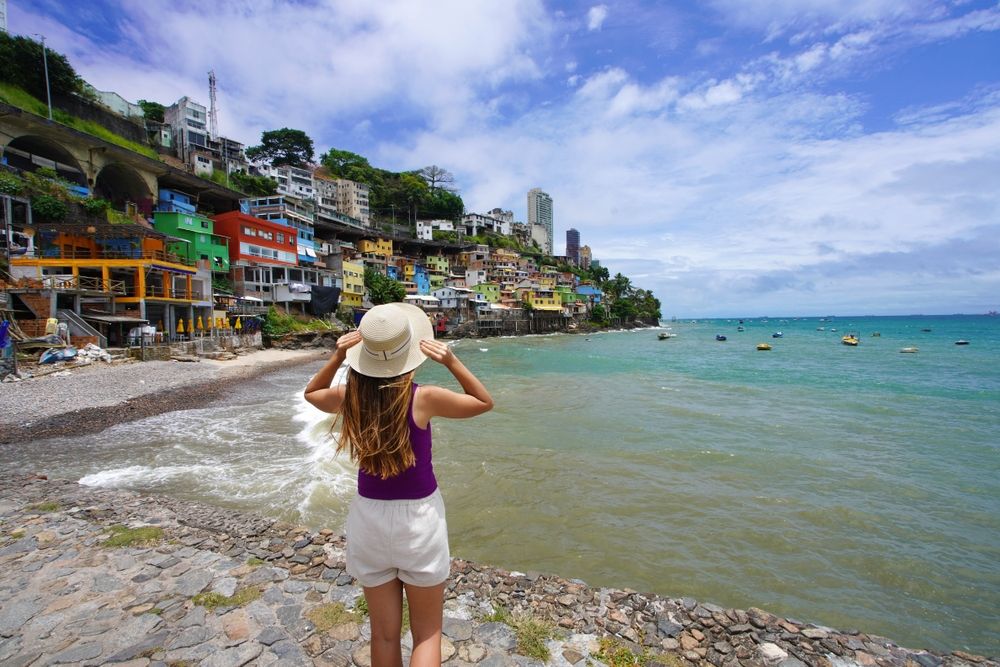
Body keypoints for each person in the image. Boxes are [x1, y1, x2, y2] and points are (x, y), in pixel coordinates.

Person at [304, 302, 493, 667]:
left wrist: (337, 357)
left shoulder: (351, 398)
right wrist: (451, 361)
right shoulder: (423, 398)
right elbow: (483, 402)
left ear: (363, 356)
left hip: (369, 520)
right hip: (419, 521)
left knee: (385, 634)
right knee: (427, 634)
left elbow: (312, 394)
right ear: (412, 352)